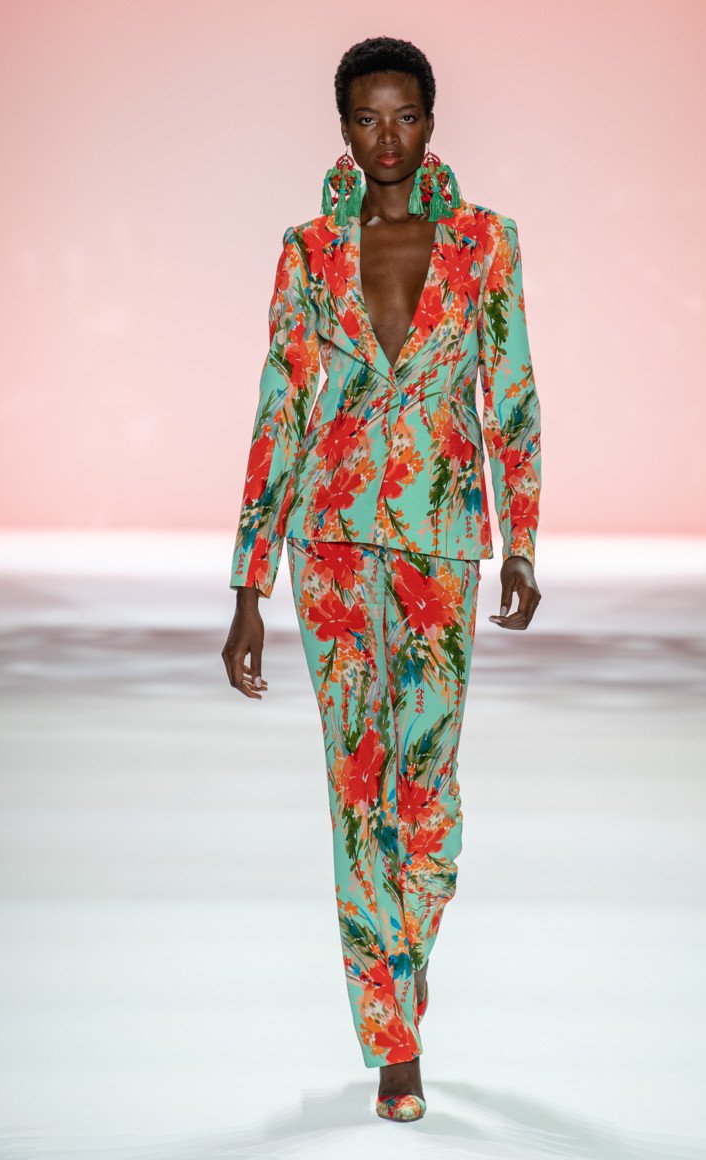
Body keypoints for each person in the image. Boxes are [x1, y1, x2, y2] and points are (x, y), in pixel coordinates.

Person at [222, 35, 542, 1124]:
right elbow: (279, 408)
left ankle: (401, 974)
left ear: (432, 121)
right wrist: (247, 587)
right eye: (367, 118)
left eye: (404, 115)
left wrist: (521, 541)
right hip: (330, 549)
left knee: (427, 797)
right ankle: (393, 1042)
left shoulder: (484, 243)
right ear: (344, 129)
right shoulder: (308, 251)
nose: (387, 137)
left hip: (443, 546)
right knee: (357, 787)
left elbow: (511, 396)